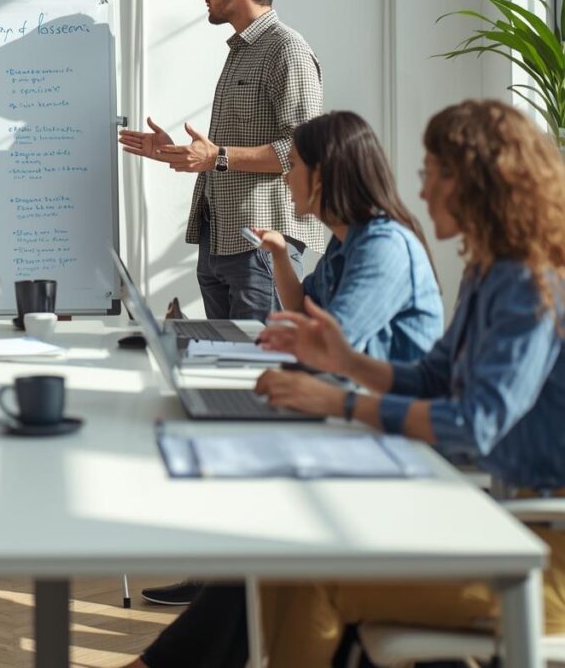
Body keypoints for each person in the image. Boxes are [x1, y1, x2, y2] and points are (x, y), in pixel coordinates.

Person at [121, 98, 565, 667]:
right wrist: (346, 363)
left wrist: (342, 398)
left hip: (538, 556)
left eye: (432, 174)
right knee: (287, 562)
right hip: (502, 525)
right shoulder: (490, 269)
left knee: (302, 572)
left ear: (477, 178)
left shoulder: (530, 283)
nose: (422, 191)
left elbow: (475, 424)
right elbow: (434, 376)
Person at [118, 0, 325, 607]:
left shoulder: (286, 49)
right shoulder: (241, 52)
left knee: (252, 411)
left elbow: (303, 149)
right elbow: (224, 153)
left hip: (262, 252)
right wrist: (179, 154)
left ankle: (254, 581)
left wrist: (221, 160)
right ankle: (219, 578)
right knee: (225, 412)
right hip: (221, 243)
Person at [253, 110, 442, 361]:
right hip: (354, 391)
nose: (286, 177)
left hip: (389, 398)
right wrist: (279, 253)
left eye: (294, 164)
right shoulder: (345, 241)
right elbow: (301, 308)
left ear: (319, 176)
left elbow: (333, 344)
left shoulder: (384, 247)